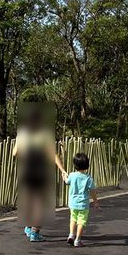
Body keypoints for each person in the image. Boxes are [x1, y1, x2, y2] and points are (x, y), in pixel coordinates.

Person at [13, 104, 67, 242]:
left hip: (26, 170)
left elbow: (15, 153)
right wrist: (62, 170)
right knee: (39, 202)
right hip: (40, 170)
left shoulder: (22, 133)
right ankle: (35, 232)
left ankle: (28, 225)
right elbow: (53, 154)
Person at [65, 152, 98, 247]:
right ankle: (77, 240)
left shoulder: (72, 175)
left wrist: (64, 176)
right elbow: (92, 191)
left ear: (75, 165)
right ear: (87, 165)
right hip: (83, 204)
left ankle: (71, 234)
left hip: (73, 203)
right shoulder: (88, 178)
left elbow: (67, 181)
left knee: (73, 219)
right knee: (81, 222)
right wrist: (95, 202)